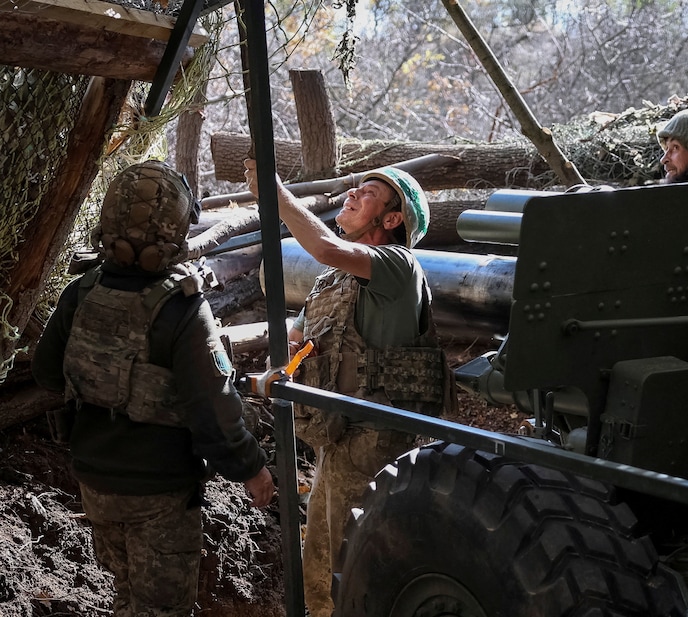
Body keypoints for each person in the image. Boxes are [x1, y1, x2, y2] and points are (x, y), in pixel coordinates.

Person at [31, 160, 274, 617]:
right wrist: (251, 468)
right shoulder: (182, 309)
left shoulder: (83, 290)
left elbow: (46, 374)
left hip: (95, 483)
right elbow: (213, 409)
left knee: (126, 597)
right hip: (159, 492)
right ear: (176, 232)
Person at [244, 160, 453, 617]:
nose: (353, 195)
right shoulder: (333, 281)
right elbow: (300, 338)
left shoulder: (397, 266)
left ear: (391, 220)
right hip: (337, 436)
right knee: (319, 564)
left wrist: (273, 191)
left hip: (374, 439)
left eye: (369, 194)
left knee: (347, 568)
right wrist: (285, 362)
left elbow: (322, 246)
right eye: (355, 188)